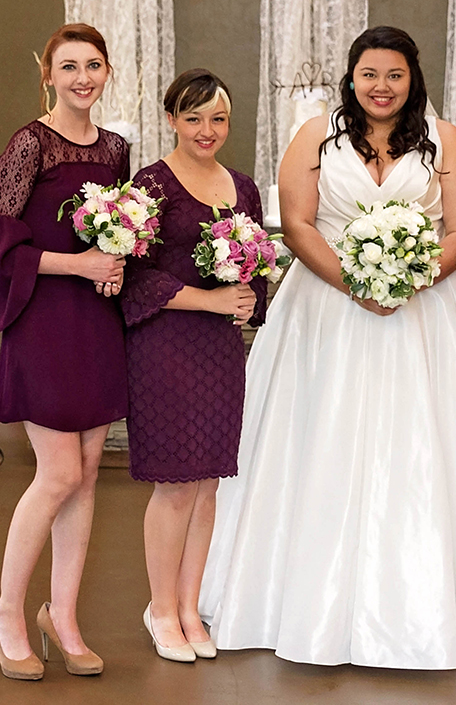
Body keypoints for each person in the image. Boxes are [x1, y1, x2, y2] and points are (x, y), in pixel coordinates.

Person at [199, 26, 456, 669]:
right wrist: (356, 283)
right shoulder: (313, 137)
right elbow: (296, 223)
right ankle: (293, 596)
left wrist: (407, 280)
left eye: (395, 76)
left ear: (414, 79)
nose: (381, 88)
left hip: (424, 315)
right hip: (324, 309)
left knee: (421, 443)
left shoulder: (448, 142)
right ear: (350, 76)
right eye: (369, 74)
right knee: (316, 436)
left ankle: (423, 601)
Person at [0, 23, 129, 680]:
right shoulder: (28, 144)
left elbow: (122, 229)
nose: (82, 78)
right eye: (69, 67)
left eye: (93, 65)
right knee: (59, 473)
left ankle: (61, 617)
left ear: (108, 71)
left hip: (98, 320)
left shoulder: (117, 150)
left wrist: (119, 261)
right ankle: (6, 610)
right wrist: (81, 262)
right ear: (48, 74)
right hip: (44, 319)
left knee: (88, 473)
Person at [121, 69, 267, 663]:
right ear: (172, 119)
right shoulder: (149, 185)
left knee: (208, 486)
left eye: (218, 119)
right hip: (165, 345)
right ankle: (160, 610)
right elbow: (133, 277)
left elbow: (256, 265)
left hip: (220, 351)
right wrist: (208, 299)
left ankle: (189, 607)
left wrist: (252, 293)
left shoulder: (244, 187)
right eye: (194, 118)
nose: (206, 131)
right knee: (177, 486)